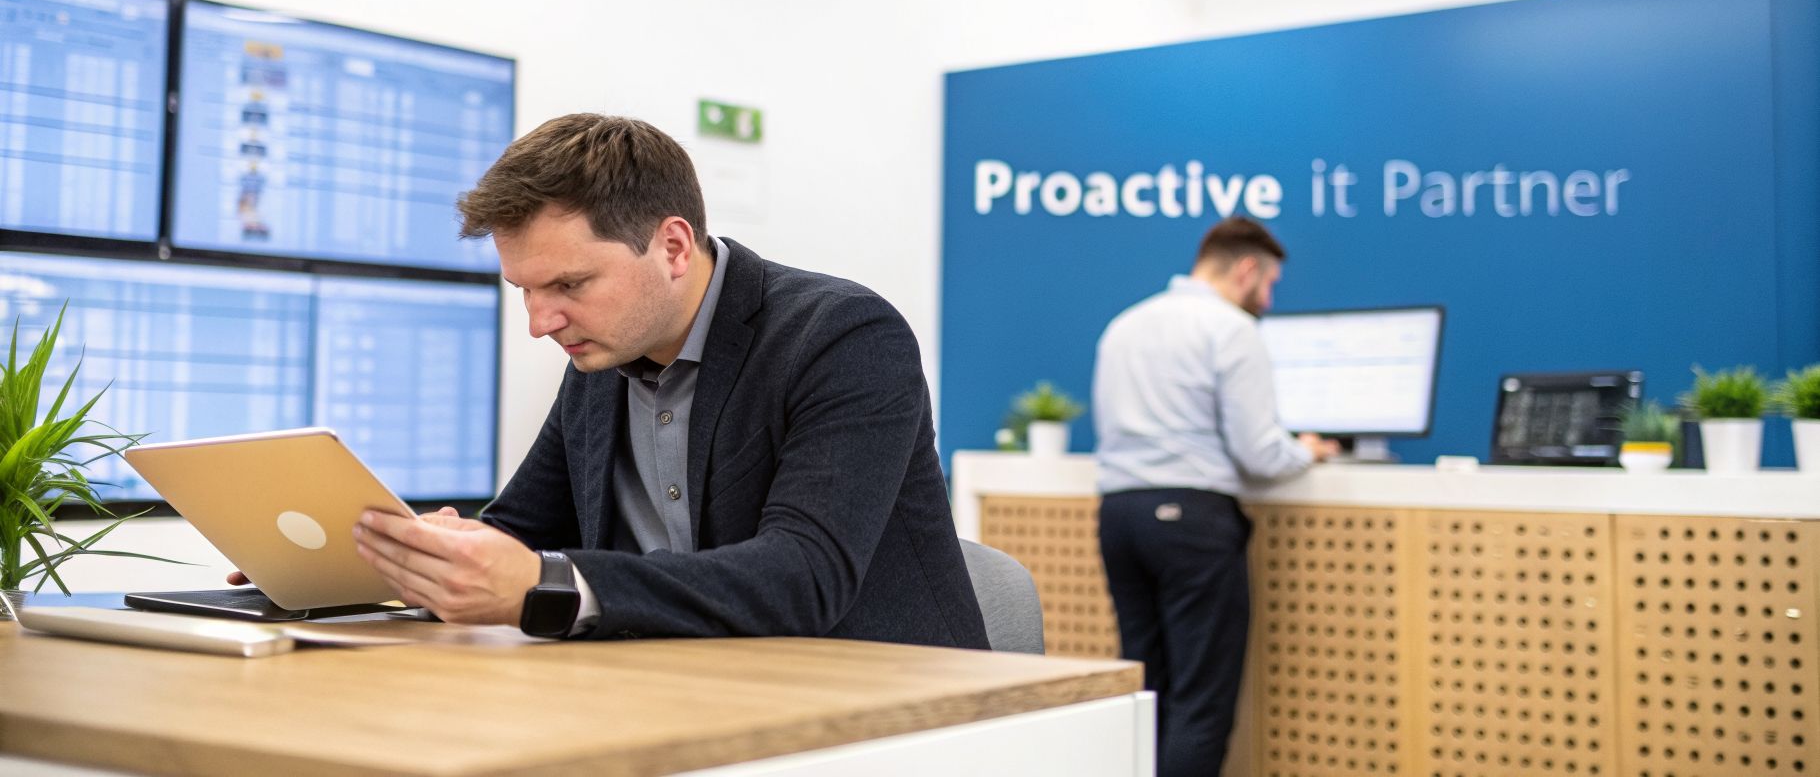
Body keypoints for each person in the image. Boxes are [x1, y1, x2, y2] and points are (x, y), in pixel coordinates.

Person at [328, 113, 988, 647]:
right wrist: (407, 555)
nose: (540, 323)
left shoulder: (844, 337)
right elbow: (521, 532)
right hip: (687, 689)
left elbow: (803, 576)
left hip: (890, 707)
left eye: (568, 284)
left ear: (672, 246)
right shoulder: (600, 356)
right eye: (525, 291)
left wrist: (553, 584)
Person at [1092, 217, 1340, 776]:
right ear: (1246, 268)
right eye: (1269, 283)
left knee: (1146, 689)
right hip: (1192, 522)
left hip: (1119, 516)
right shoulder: (1230, 329)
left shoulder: (1125, 325)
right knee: (1201, 701)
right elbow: (1259, 454)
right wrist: (1309, 451)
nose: (1268, 298)